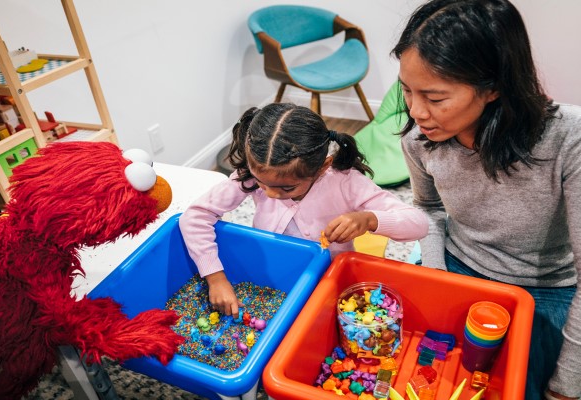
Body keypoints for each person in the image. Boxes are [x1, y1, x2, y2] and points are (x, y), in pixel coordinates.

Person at [392, 1, 581, 399]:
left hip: (543, 287)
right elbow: (428, 208)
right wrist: (437, 275)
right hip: (458, 262)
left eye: (436, 98)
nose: (416, 111)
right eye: (406, 91)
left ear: (494, 87)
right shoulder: (418, 139)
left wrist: (566, 387)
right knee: (403, 359)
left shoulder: (569, 139)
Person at [179, 103, 429, 319]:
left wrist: (370, 219)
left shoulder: (345, 182)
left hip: (327, 281)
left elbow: (418, 224)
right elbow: (196, 216)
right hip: (272, 277)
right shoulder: (252, 177)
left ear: (322, 167)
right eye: (261, 182)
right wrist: (215, 277)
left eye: (286, 188)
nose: (269, 193)